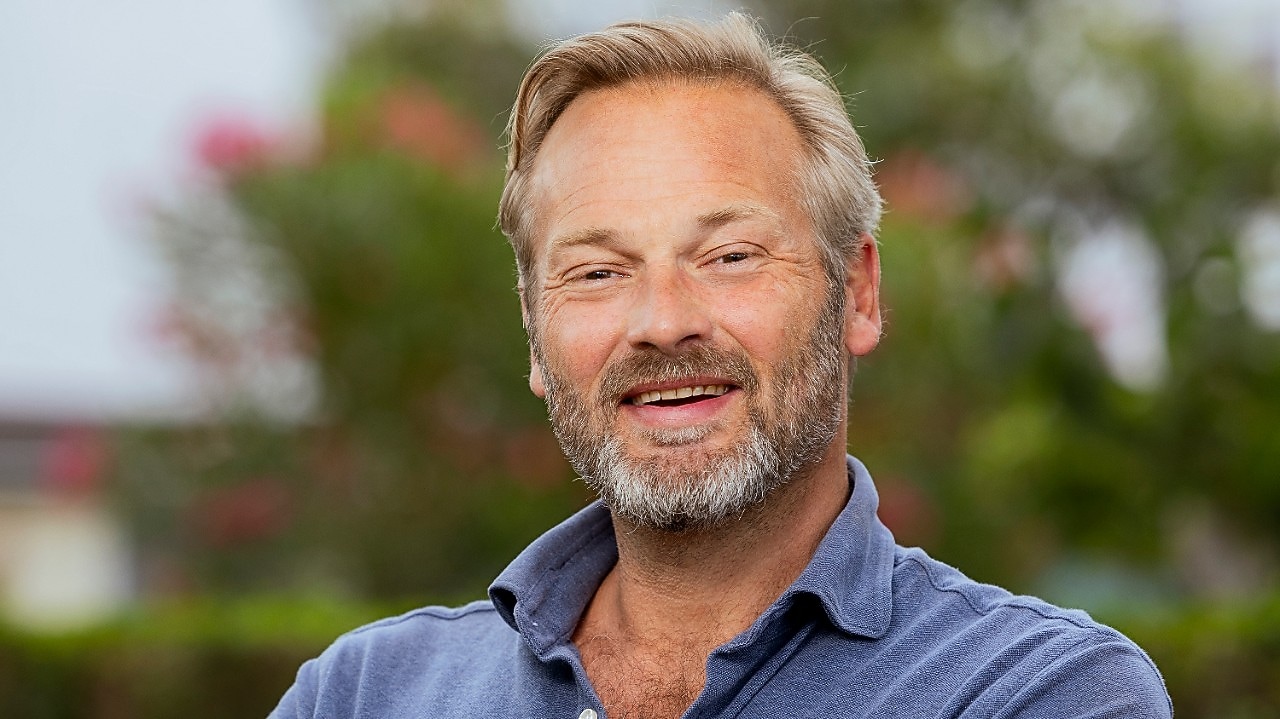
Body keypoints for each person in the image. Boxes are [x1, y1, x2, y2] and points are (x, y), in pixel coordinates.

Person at [271, 13, 1172, 719]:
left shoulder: (1038, 693)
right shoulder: (361, 695)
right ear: (534, 333)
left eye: (731, 255)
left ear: (856, 292)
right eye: (597, 271)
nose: (662, 322)